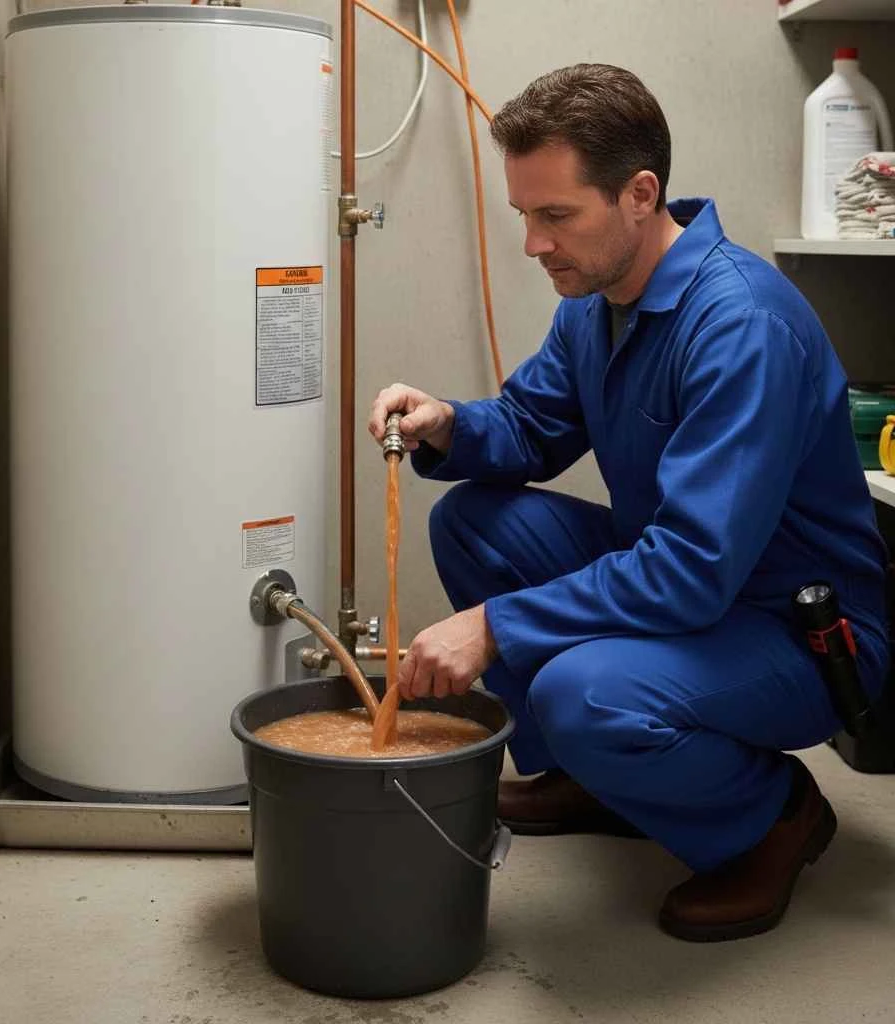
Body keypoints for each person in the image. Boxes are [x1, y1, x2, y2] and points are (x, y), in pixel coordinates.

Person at [368, 64, 890, 942]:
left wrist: (492, 627)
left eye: (556, 215)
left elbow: (689, 571)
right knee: (471, 520)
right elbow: (532, 425)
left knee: (584, 693)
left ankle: (772, 819)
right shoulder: (599, 298)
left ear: (640, 194)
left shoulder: (740, 326)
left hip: (793, 627)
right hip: (693, 589)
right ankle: (600, 779)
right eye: (525, 216)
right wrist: (448, 425)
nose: (534, 244)